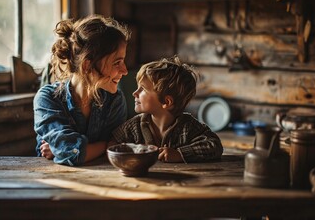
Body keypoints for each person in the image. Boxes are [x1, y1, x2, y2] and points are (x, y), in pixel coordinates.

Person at [33, 15, 131, 166]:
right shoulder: (47, 99)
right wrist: (105, 145)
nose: (125, 71)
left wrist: (60, 150)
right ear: (87, 66)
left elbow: (118, 150)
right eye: (117, 62)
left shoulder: (115, 101)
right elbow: (72, 151)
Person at [111, 56, 223, 163]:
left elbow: (214, 145)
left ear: (166, 102)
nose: (135, 93)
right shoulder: (134, 126)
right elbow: (112, 143)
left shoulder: (188, 127)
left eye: (143, 89)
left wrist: (180, 154)